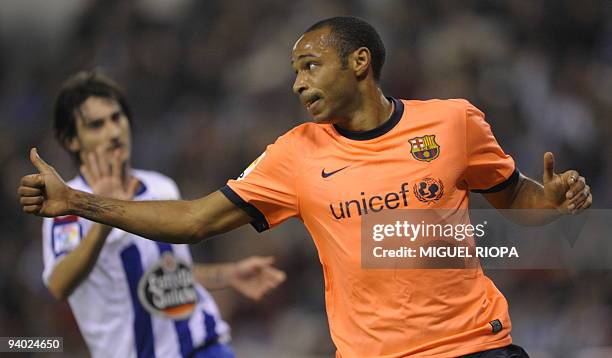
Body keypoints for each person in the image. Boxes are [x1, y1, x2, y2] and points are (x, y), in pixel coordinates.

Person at [19, 17, 592, 357]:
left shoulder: (453, 122)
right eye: (294, 71)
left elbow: (514, 200)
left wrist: (550, 202)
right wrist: (76, 202)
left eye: (310, 66)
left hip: (476, 346)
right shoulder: (294, 154)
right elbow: (194, 220)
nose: (297, 83)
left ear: (360, 63)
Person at [38, 71, 285, 358]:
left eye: (117, 118)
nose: (113, 132)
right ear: (71, 140)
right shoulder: (68, 207)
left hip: (205, 347)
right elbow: (58, 284)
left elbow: (166, 275)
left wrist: (226, 274)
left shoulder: (160, 185)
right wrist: (101, 216)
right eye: (96, 125)